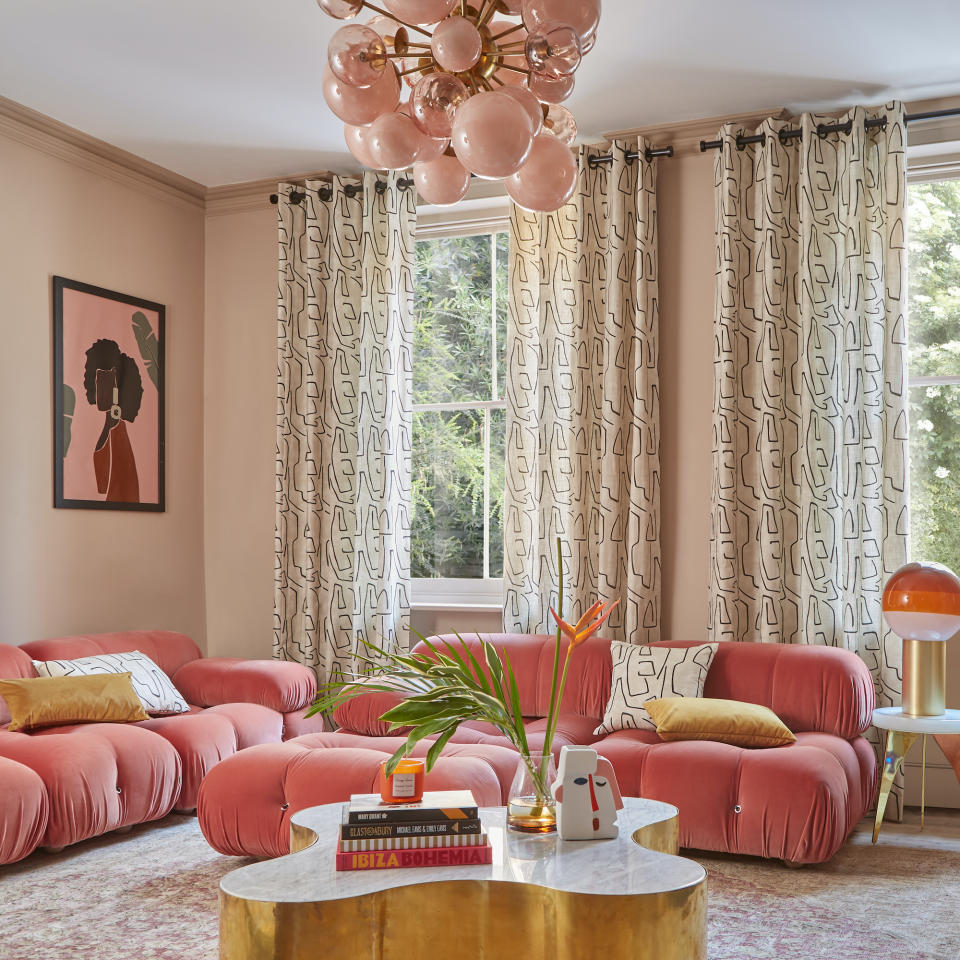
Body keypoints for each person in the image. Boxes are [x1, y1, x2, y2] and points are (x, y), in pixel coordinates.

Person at [82, 339, 143, 503]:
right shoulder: (109, 429)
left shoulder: (116, 431)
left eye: (105, 377)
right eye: (98, 378)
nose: (100, 384)